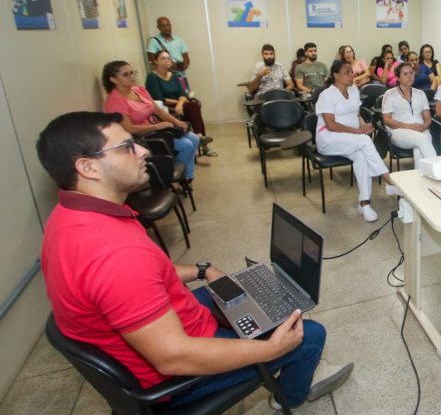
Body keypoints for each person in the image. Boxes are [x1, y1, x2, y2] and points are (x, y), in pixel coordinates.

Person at [36, 112, 353, 410]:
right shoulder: (116, 255)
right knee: (309, 336)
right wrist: (271, 350)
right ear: (88, 168)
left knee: (247, 292)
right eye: (127, 147)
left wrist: (202, 270)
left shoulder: (69, 217)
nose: (144, 152)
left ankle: (257, 326)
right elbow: (173, 358)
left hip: (172, 318)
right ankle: (287, 397)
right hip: (179, 378)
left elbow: (148, 277)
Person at [315, 60, 403, 222]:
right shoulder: (326, 95)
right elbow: (331, 125)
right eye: (347, 72)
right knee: (364, 141)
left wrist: (364, 126)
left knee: (362, 156)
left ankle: (364, 203)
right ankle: (389, 179)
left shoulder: (354, 90)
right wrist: (357, 132)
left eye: (352, 71)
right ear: (335, 75)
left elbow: (356, 114)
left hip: (351, 139)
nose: (352, 75)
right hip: (328, 138)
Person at [102, 61, 200, 181]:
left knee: (194, 138)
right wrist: (158, 126)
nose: (131, 76)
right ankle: (171, 175)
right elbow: (130, 130)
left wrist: (176, 122)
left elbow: (158, 111)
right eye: (126, 74)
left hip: (155, 129)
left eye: (132, 73)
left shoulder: (139, 90)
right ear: (113, 79)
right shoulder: (115, 101)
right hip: (141, 138)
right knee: (187, 145)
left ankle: (187, 176)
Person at [145, 50, 216, 157]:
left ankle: (200, 138)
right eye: (163, 58)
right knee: (192, 106)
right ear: (155, 61)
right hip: (164, 107)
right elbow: (158, 98)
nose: (167, 61)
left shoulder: (174, 76)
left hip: (180, 105)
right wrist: (179, 102)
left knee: (193, 105)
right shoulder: (152, 77)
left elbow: (183, 94)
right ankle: (203, 143)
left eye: (168, 58)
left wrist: (180, 103)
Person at [382, 63, 437, 167]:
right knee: (423, 140)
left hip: (420, 129)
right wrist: (409, 127)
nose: (409, 76)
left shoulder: (420, 93)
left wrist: (424, 126)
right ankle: (437, 169)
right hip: (398, 132)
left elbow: (427, 117)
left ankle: (419, 179)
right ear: (398, 77)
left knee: (419, 153)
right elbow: (386, 120)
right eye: (405, 74)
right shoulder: (390, 94)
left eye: (411, 73)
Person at [146, 16, 191, 89]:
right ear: (158, 27)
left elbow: (186, 57)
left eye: (168, 25)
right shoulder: (154, 41)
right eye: (163, 26)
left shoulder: (179, 40)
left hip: (181, 76)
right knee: (171, 97)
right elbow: (151, 60)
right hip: (164, 77)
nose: (166, 28)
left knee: (185, 97)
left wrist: (182, 67)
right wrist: (168, 66)